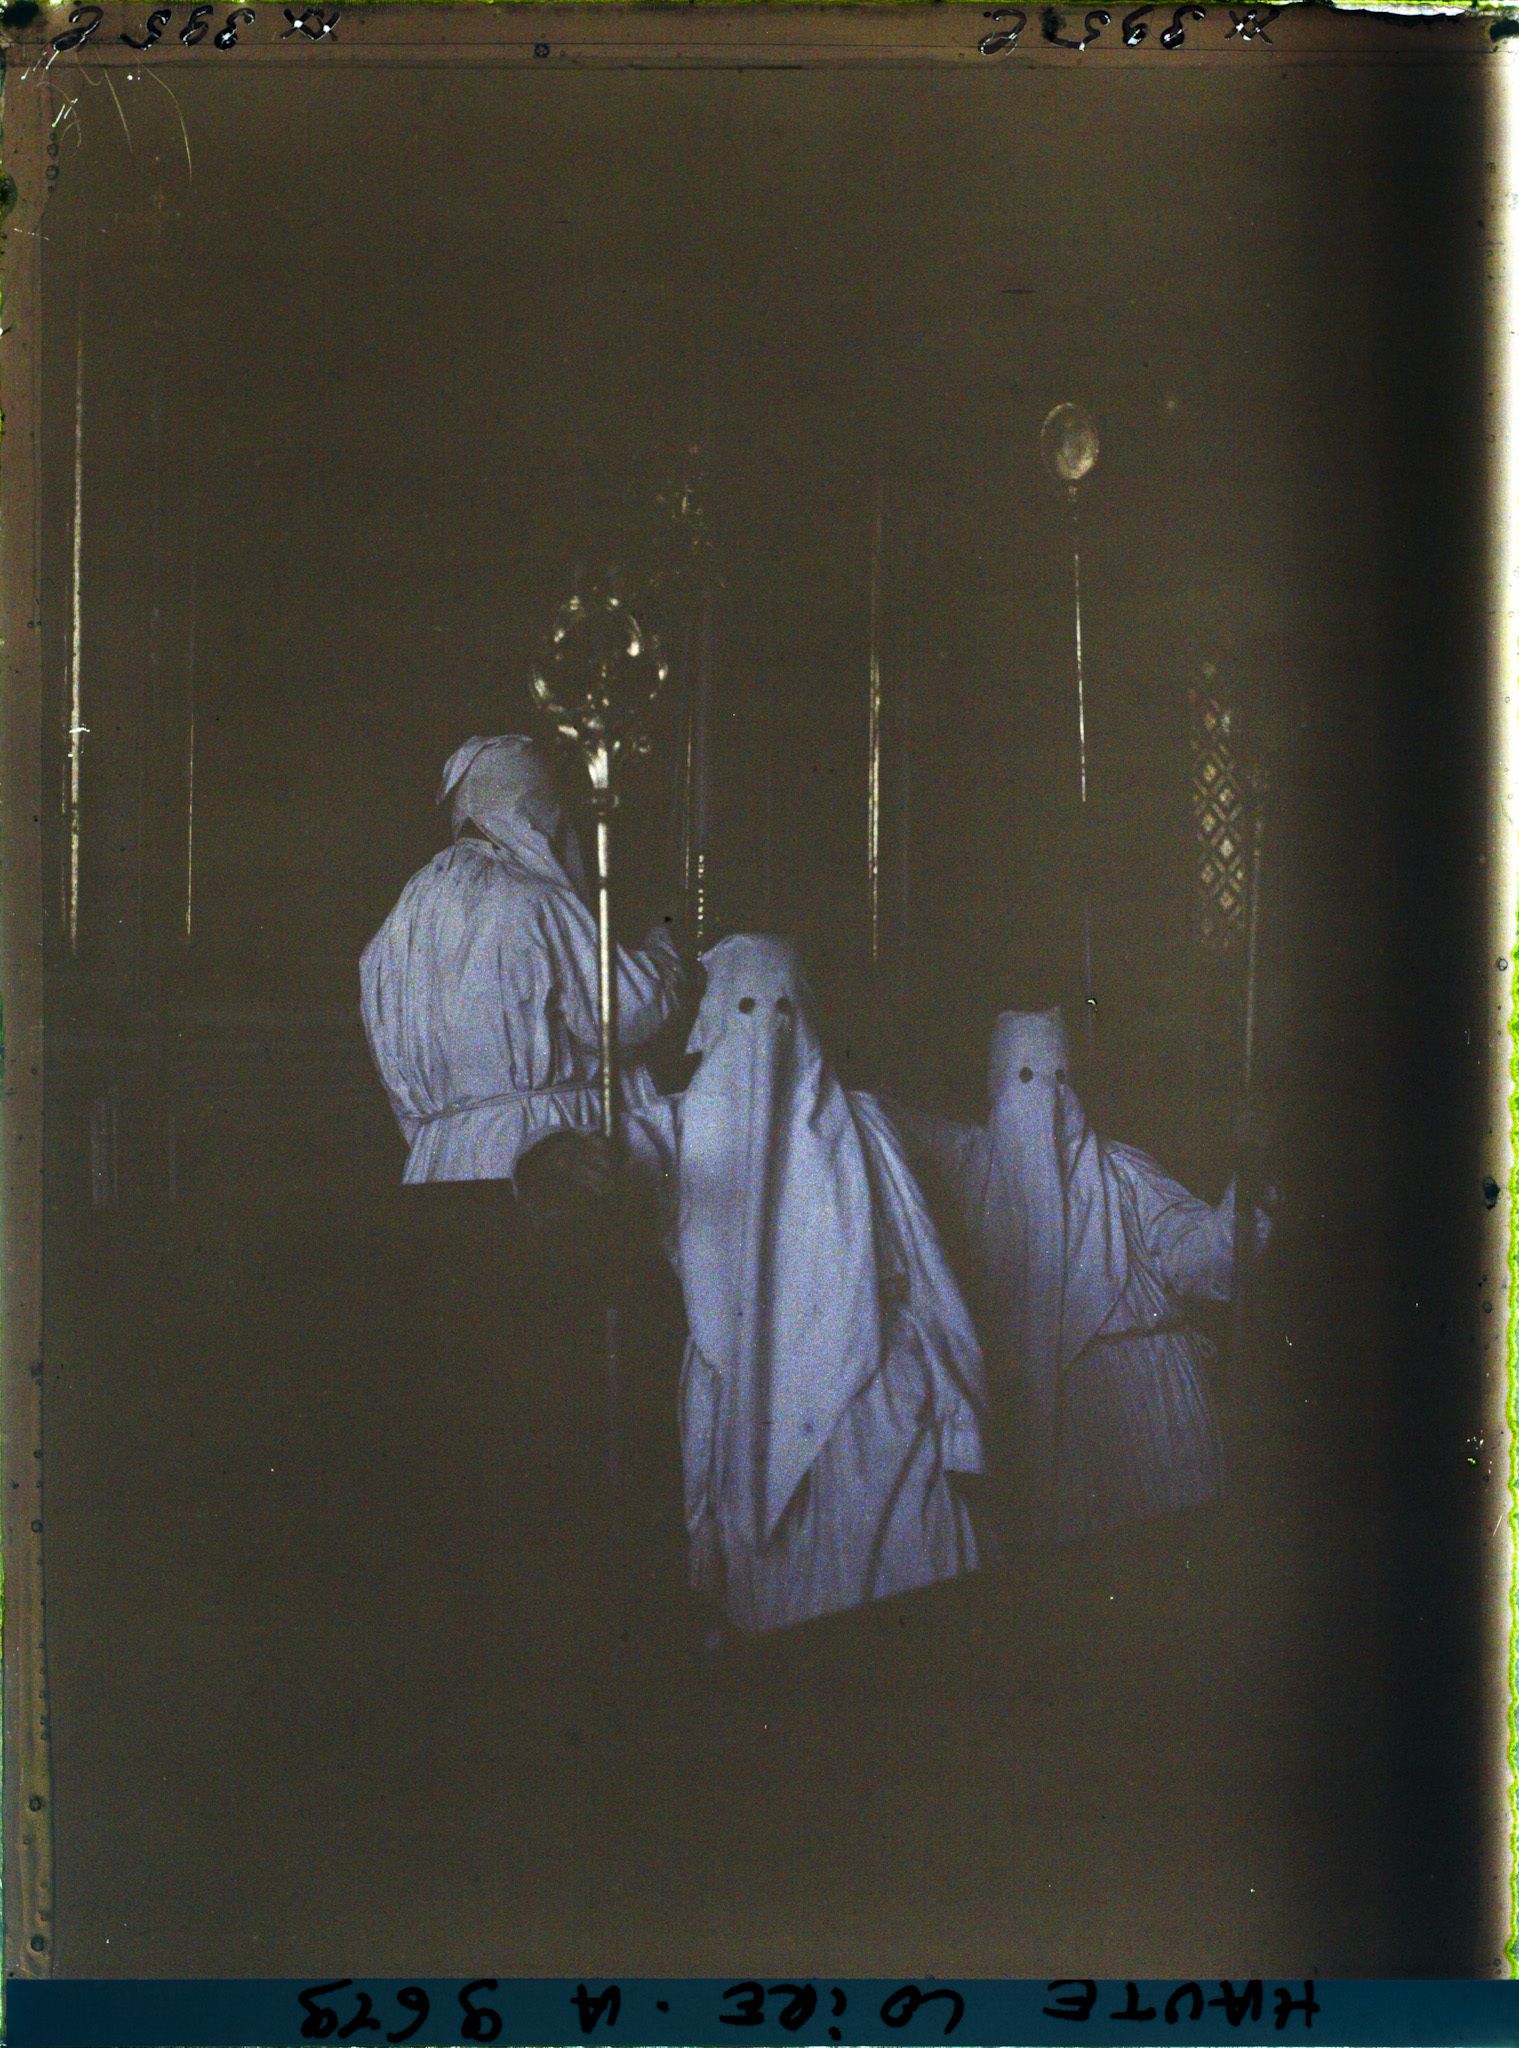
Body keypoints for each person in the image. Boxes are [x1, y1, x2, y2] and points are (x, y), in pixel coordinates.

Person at [602, 933, 989, 1638]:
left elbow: (928, 1263)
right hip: (748, 1397)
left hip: (871, 1392)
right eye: (746, 1011)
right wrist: (564, 1157)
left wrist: (960, 1425)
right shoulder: (681, 1125)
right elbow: (620, 1152)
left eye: (782, 1012)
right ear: (716, 1024)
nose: (766, 1036)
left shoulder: (867, 1125)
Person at [888, 1007, 1274, 1550]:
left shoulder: (1123, 1173)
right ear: (996, 1088)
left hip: (1153, 1407)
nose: (1047, 1099)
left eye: (1061, 1079)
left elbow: (1197, 1256)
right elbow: (882, 1129)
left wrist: (1250, 1185)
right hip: (1041, 1428)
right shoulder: (968, 1166)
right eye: (1026, 1079)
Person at [359, 734, 687, 1184]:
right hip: (543, 1156)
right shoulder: (532, 901)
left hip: (438, 1161)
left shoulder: (395, 926)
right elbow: (626, 1016)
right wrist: (663, 945)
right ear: (531, 809)